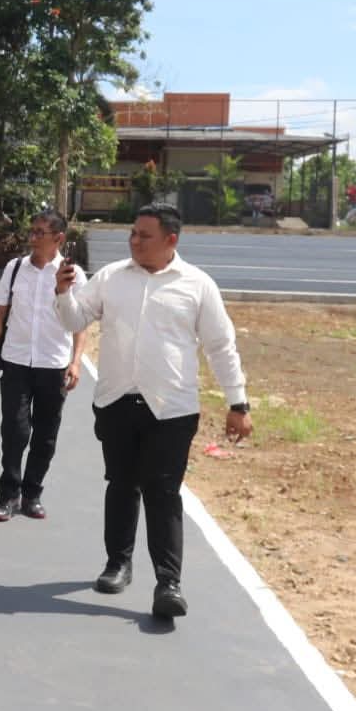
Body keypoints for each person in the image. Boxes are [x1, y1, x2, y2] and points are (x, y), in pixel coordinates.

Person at [54, 203, 252, 620]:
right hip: (116, 400)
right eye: (133, 233)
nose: (135, 241)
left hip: (172, 408)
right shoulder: (111, 278)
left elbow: (220, 346)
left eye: (145, 235)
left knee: (163, 492)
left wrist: (238, 403)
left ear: (171, 240)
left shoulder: (198, 285)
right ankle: (118, 564)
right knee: (121, 484)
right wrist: (63, 290)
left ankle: (169, 583)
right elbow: (74, 318)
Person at [0, 211, 88, 522]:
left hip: (53, 365)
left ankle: (33, 493)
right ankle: (8, 494)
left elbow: (80, 324)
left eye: (41, 232)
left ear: (59, 239)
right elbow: (1, 314)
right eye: (32, 231)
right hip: (15, 361)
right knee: (14, 429)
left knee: (46, 434)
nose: (33, 237)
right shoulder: (14, 269)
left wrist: (76, 362)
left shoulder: (73, 275)